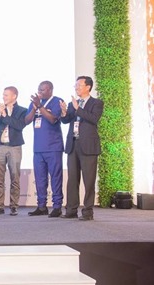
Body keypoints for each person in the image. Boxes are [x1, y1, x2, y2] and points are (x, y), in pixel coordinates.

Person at [60, 76, 104, 221]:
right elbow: (67, 121)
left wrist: (78, 108)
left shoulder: (96, 103)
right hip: (73, 144)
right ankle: (71, 210)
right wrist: (64, 112)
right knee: (72, 179)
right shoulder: (73, 103)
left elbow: (93, 119)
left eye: (79, 85)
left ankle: (87, 211)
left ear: (88, 87)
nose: (76, 87)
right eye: (76, 85)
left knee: (89, 180)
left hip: (88, 146)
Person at [24, 81, 64, 217]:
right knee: (40, 179)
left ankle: (57, 206)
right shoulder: (35, 102)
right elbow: (27, 120)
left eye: (43, 89)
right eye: (38, 89)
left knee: (55, 178)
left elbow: (53, 119)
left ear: (50, 90)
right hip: (38, 148)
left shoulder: (57, 101)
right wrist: (35, 108)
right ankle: (41, 206)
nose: (40, 92)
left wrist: (40, 106)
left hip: (53, 147)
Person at [0, 86, 27, 216]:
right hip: (0, 146)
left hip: (15, 146)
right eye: (3, 95)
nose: (3, 97)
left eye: (6, 95)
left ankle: (14, 206)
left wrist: (5, 116)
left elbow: (19, 125)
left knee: (15, 177)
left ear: (14, 96)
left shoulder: (22, 110)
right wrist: (0, 115)